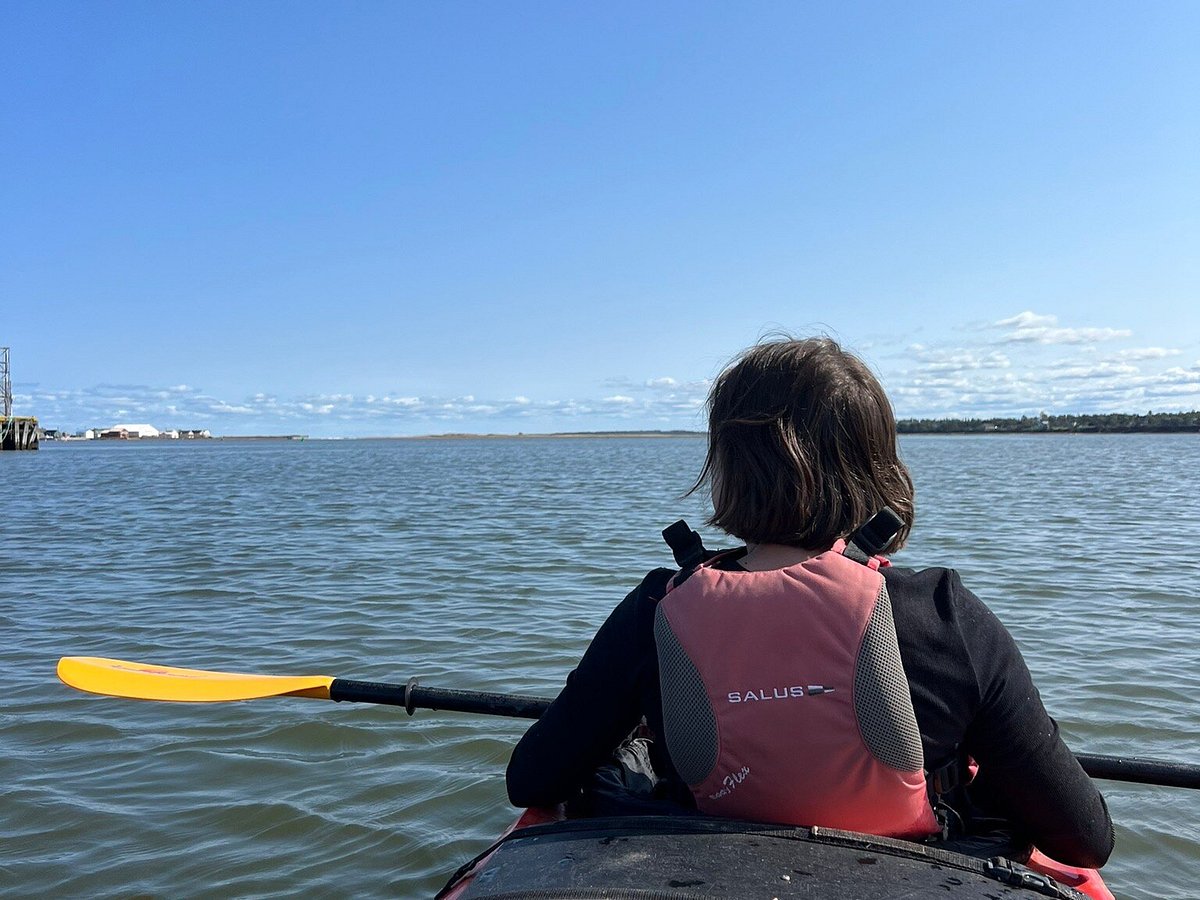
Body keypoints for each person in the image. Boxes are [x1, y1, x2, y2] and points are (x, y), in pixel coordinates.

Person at [506, 336, 1114, 868]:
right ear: (876, 465)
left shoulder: (656, 611)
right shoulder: (944, 613)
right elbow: (1082, 841)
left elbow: (532, 779)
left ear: (729, 467)